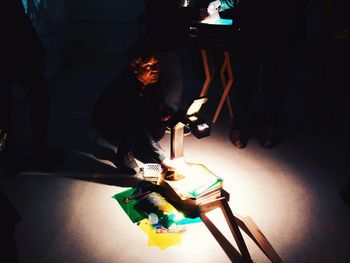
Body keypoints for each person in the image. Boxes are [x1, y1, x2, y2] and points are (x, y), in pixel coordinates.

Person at [210, 0, 304, 148]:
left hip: (257, 31)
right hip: (273, 32)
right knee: (270, 83)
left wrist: (221, 3)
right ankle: (266, 128)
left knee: (250, 83)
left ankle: (244, 128)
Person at [91, 43, 175, 175]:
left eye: (156, 64)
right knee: (132, 128)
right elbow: (136, 122)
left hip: (136, 117)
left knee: (158, 130)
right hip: (110, 124)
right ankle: (121, 157)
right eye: (147, 66)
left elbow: (158, 102)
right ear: (134, 68)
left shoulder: (152, 80)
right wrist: (162, 158)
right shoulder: (124, 88)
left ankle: (138, 146)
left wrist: (164, 111)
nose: (155, 69)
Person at [0, 0, 55, 174]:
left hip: (16, 51)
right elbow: (18, 19)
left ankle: (14, 156)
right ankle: (24, 155)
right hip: (17, 51)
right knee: (36, 97)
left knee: (5, 109)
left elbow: (19, 18)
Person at [142, 0, 208, 135]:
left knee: (164, 79)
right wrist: (196, 12)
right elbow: (171, 12)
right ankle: (169, 118)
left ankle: (161, 116)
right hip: (165, 38)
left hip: (162, 36)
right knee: (174, 79)